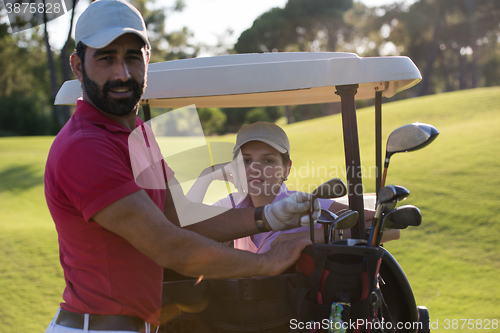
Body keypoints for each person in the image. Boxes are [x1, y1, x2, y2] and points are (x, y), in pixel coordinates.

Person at [43, 1, 320, 332]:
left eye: (132, 57)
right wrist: (266, 263)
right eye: (105, 58)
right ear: (77, 65)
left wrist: (269, 217)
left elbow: (183, 218)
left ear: (146, 60)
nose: (122, 73)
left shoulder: (139, 135)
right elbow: (169, 244)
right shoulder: (86, 145)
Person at [188, 122, 400, 253]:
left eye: (268, 161)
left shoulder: (302, 204)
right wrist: (205, 177)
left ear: (286, 169)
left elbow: (390, 228)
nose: (255, 168)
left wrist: (300, 238)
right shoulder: (232, 204)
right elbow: (183, 228)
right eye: (246, 161)